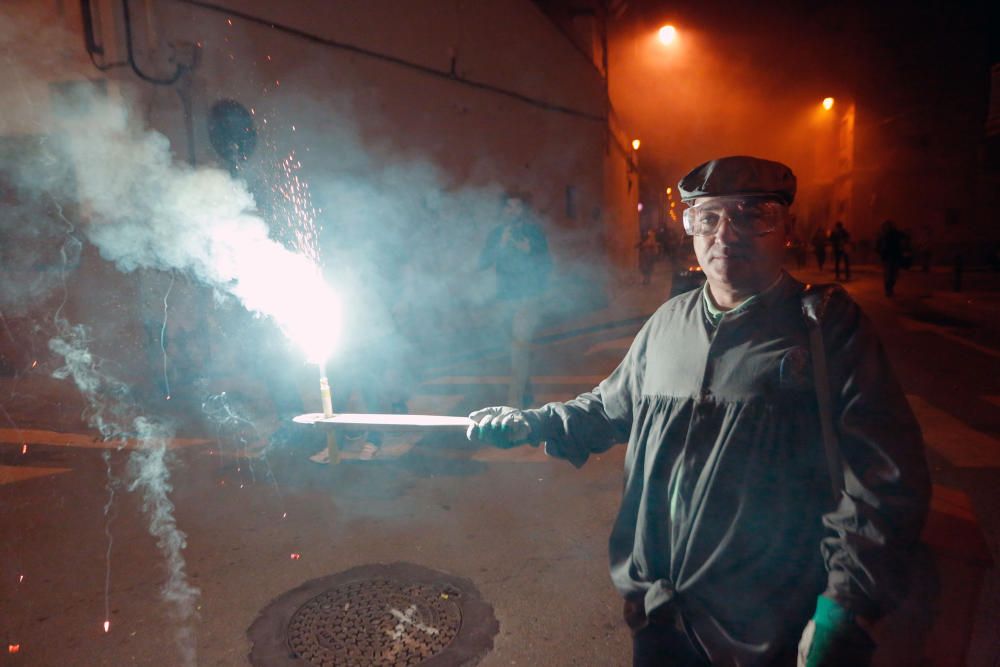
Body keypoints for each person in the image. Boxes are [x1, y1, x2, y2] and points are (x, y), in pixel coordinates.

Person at [467, 156, 930, 666]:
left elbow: (884, 481)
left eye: (752, 215)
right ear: (690, 228)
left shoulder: (825, 330)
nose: (725, 234)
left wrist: (844, 607)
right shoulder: (668, 323)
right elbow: (608, 406)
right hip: (661, 611)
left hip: (769, 624)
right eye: (707, 217)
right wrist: (534, 422)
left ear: (787, 230)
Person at [478, 191, 551, 408]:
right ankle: (527, 393)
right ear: (503, 210)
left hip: (528, 298)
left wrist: (529, 250)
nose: (513, 211)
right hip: (505, 299)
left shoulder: (533, 233)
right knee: (515, 350)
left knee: (518, 348)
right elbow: (482, 263)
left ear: (523, 210)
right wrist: (499, 244)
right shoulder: (496, 234)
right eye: (508, 207)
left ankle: (514, 402)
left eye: (517, 207)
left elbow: (546, 264)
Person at [875, 219, 905, 297]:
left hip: (895, 256)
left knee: (894, 274)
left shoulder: (896, 234)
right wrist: (880, 252)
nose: (888, 227)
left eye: (889, 225)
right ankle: (888, 290)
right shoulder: (882, 235)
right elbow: (878, 246)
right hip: (887, 257)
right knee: (888, 274)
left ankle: (890, 288)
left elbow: (904, 238)